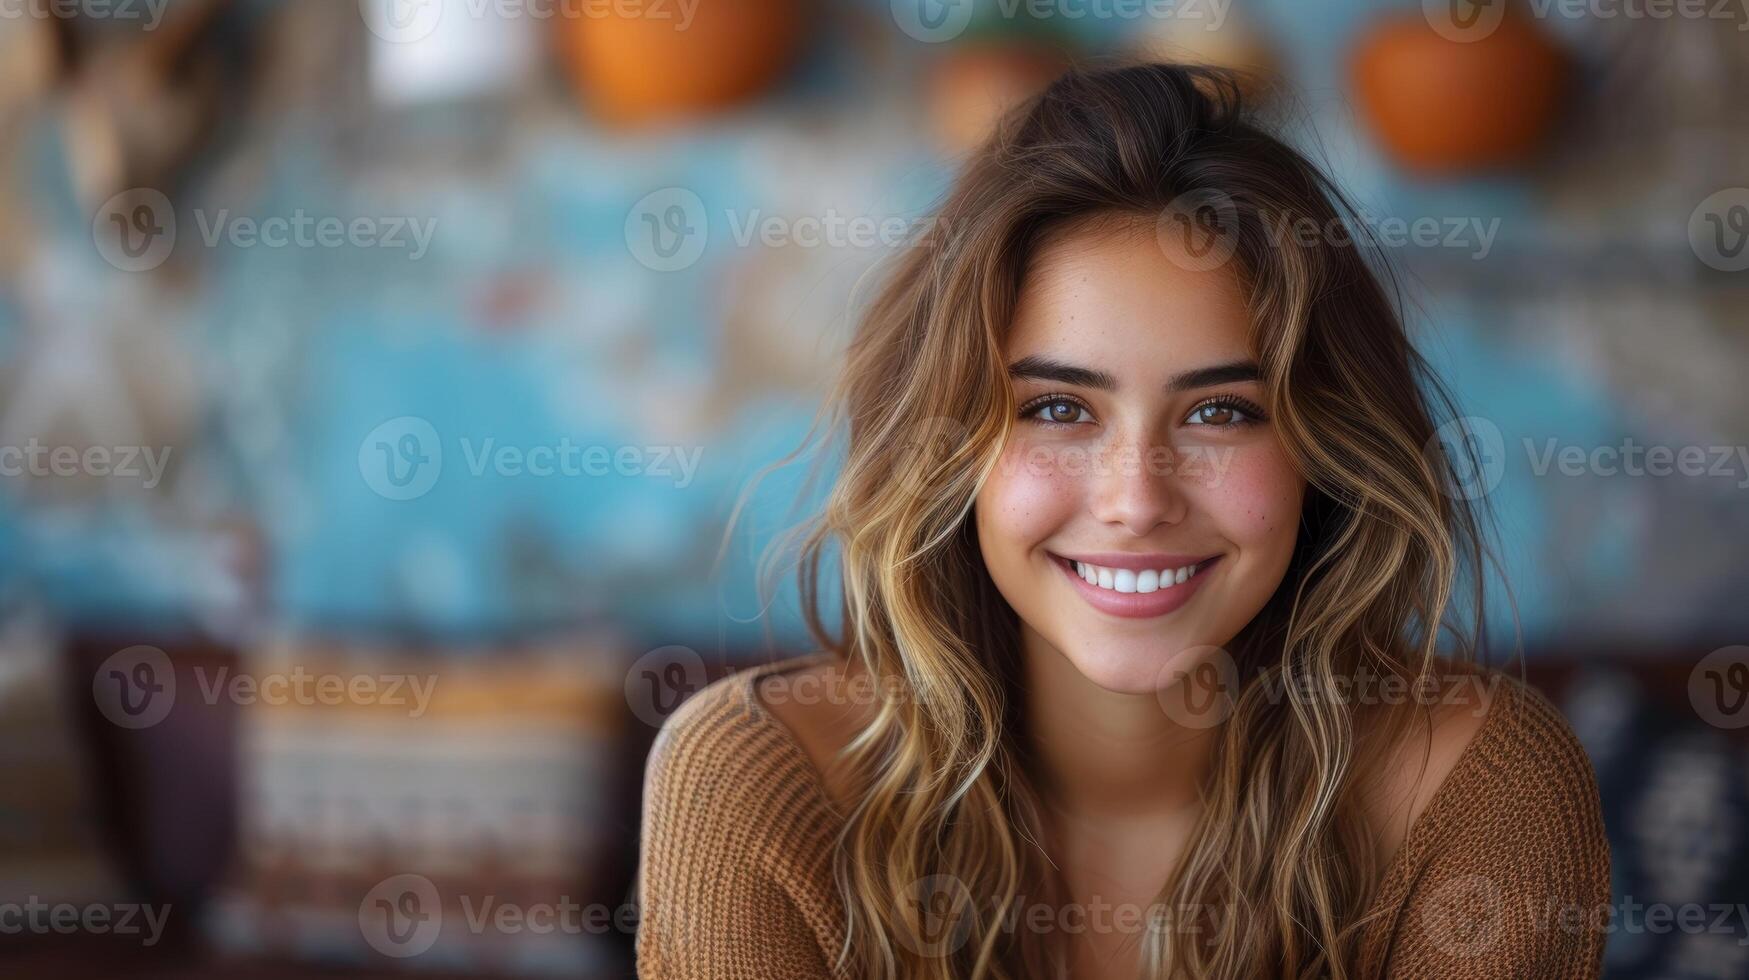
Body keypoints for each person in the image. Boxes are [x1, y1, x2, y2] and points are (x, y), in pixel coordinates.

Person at [636, 62, 1610, 979]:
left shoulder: (1478, 791)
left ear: (1323, 447)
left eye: (1221, 411)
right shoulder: (754, 783)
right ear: (947, 449)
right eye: (1059, 409)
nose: (1137, 499)